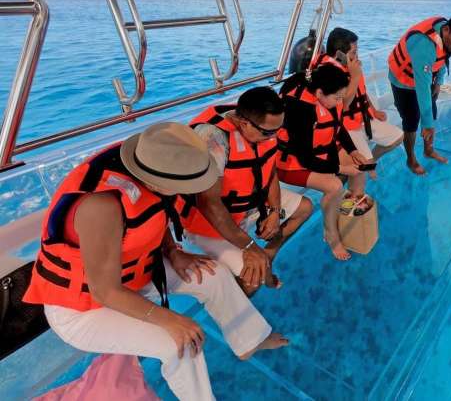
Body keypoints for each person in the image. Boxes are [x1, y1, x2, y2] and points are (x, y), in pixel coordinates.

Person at [23, 123, 288, 401]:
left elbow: (151, 213)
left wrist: (174, 252)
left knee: (214, 275)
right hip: (85, 307)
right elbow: (105, 291)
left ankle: (249, 340)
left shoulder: (154, 163)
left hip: (138, 274)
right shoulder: (100, 206)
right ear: (153, 180)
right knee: (180, 343)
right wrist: (171, 320)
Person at [180, 87, 313, 293]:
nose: (275, 136)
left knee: (304, 208)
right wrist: (250, 247)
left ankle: (267, 254)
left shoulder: (262, 128)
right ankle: (239, 298)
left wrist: (275, 213)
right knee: (254, 278)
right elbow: (209, 205)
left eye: (279, 128)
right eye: (269, 132)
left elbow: (270, 170)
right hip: (210, 222)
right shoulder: (212, 139)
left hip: (250, 203)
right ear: (244, 123)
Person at [276, 64, 370, 261]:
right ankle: (331, 233)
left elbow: (337, 125)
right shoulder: (299, 108)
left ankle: (346, 216)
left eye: (341, 97)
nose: (340, 102)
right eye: (337, 98)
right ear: (319, 92)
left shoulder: (327, 97)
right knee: (335, 186)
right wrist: (342, 168)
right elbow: (306, 159)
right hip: (292, 163)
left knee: (360, 168)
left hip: (320, 153)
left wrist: (353, 151)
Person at [388, 12, 451, 175]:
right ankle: (411, 159)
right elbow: (421, 89)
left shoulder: (446, 35)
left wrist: (439, 81)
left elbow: (443, 56)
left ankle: (428, 151)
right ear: (448, 30)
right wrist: (427, 125)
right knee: (411, 121)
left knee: (431, 112)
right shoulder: (424, 45)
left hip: (425, 76)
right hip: (403, 82)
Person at [322, 27, 403, 166]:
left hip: (364, 118)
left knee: (398, 137)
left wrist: (374, 111)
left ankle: (372, 159)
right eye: (354, 52)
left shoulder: (353, 68)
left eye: (357, 51)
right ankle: (360, 166)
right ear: (339, 54)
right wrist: (355, 76)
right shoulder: (330, 75)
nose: (357, 55)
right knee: (364, 167)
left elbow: (362, 92)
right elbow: (344, 106)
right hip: (347, 126)